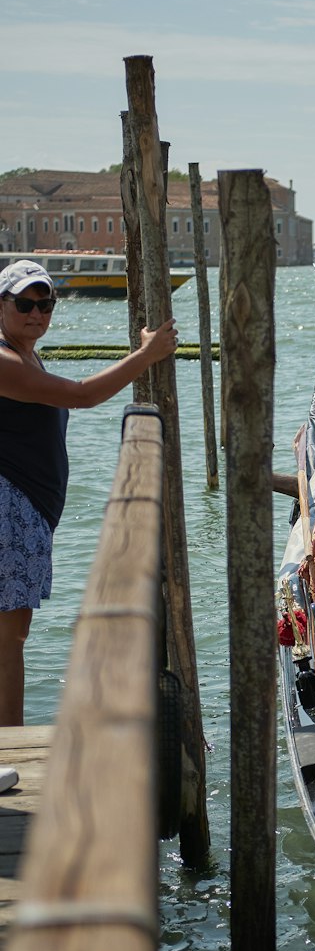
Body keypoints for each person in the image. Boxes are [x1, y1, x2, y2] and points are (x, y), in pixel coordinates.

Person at [0, 258, 179, 726]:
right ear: (1, 306)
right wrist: (147, 355)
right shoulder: (2, 360)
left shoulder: (24, 354)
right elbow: (80, 395)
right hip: (11, 508)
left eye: (45, 304)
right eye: (23, 304)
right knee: (8, 641)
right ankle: (9, 745)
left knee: (11, 638)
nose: (36, 314)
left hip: (26, 509)